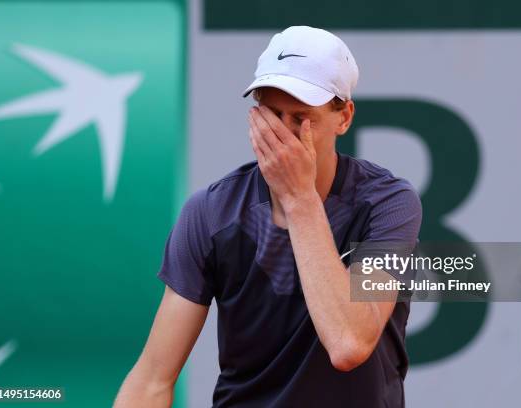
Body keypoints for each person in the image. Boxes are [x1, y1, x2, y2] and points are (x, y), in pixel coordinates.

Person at [114, 25, 422, 408]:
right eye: (274, 114)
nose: (286, 133)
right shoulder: (210, 212)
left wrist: (299, 198)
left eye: (302, 117)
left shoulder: (388, 204)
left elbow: (349, 344)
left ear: (343, 118)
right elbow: (152, 381)